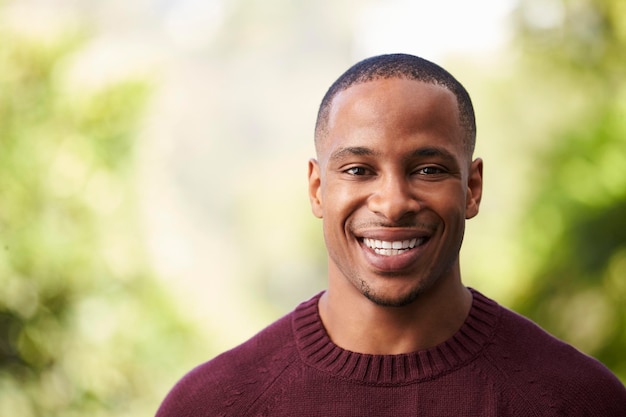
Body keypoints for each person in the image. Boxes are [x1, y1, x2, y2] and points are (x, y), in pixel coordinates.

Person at [155, 53, 626, 416]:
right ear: (318, 189)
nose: (393, 201)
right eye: (359, 169)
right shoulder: (212, 405)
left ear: (472, 188)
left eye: (427, 169)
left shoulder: (581, 402)